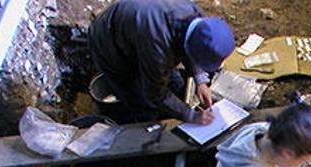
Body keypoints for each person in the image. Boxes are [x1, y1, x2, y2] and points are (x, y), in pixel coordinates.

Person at [89, 0, 235, 123]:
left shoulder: (198, 19)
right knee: (141, 102)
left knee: (175, 84)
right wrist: (192, 116)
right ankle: (143, 133)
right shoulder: (157, 46)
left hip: (138, 30)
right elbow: (155, 93)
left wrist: (200, 80)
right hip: (109, 42)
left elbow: (192, 43)